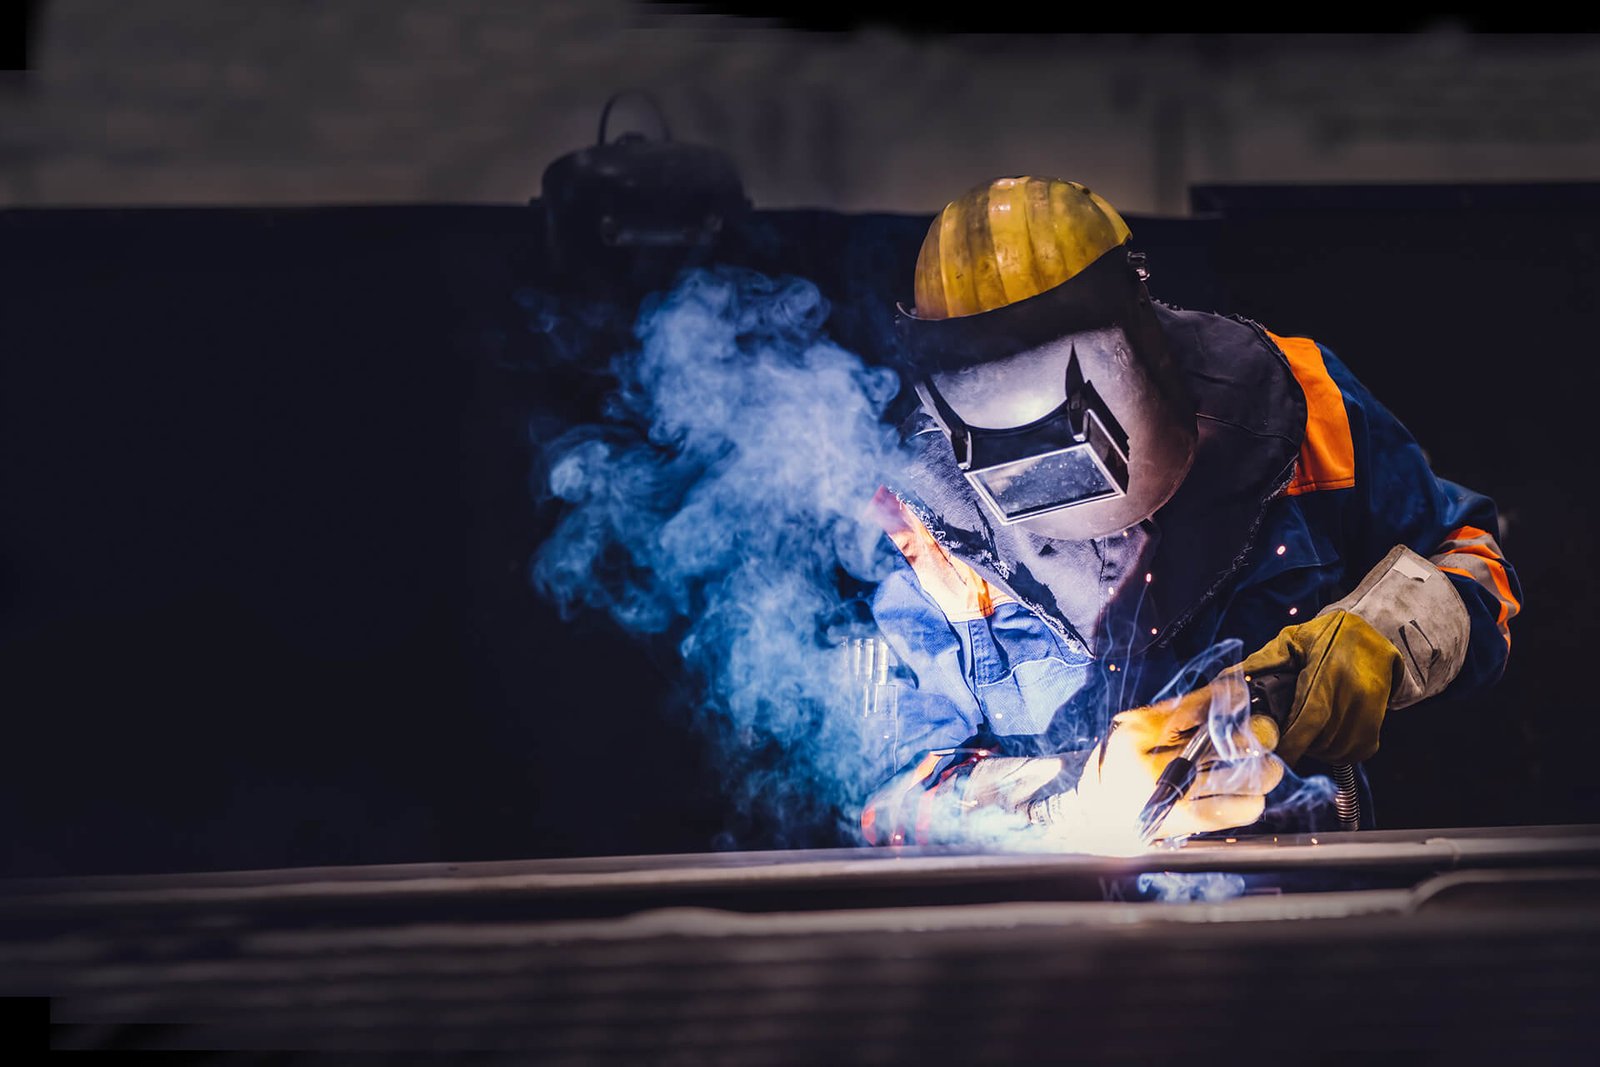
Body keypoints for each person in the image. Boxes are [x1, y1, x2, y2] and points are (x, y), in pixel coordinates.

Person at [857, 176, 1521, 849]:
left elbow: (1473, 560)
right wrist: (1069, 804)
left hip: (1304, 886)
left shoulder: (1301, 402)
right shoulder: (919, 521)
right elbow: (883, 796)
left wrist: (1381, 637)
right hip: (1046, 909)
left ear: (1135, 323)